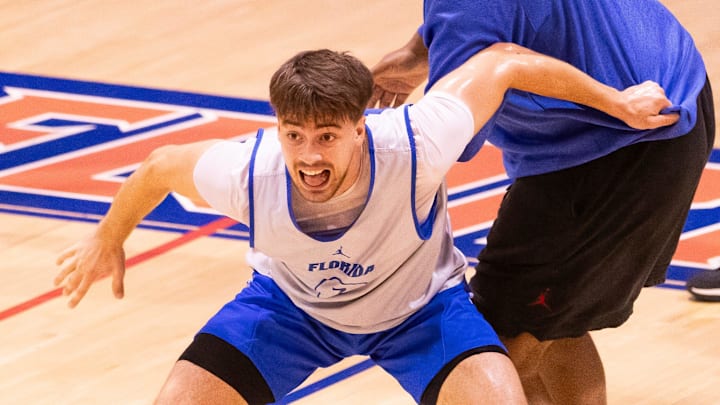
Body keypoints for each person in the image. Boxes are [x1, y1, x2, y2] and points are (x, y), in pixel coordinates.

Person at [54, 44, 676, 404]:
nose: (309, 156)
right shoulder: (249, 171)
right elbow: (160, 165)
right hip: (290, 311)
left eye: (326, 137)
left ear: (360, 126)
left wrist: (613, 101)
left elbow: (505, 62)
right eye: (294, 135)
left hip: (421, 312)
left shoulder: (417, 143)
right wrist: (106, 237)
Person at [369, 1, 716, 403]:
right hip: (667, 90)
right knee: (553, 324)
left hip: (620, 143)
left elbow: (452, 132)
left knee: (488, 356)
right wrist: (421, 51)